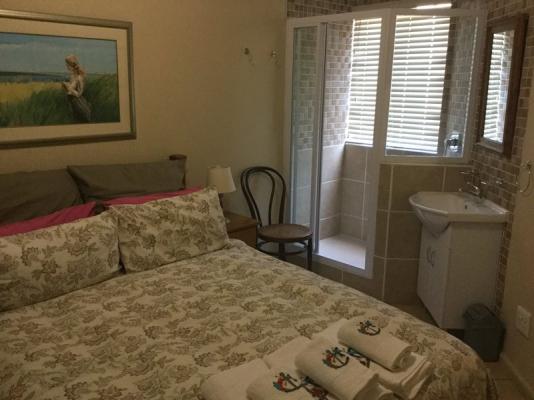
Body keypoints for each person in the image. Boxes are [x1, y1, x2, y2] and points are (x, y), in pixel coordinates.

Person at [62, 55, 92, 122]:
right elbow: (71, 90)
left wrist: (69, 88)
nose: (66, 66)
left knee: (78, 120)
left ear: (72, 65)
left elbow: (79, 93)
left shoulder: (79, 77)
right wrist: (66, 87)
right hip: (71, 100)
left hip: (77, 102)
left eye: (67, 64)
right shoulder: (72, 76)